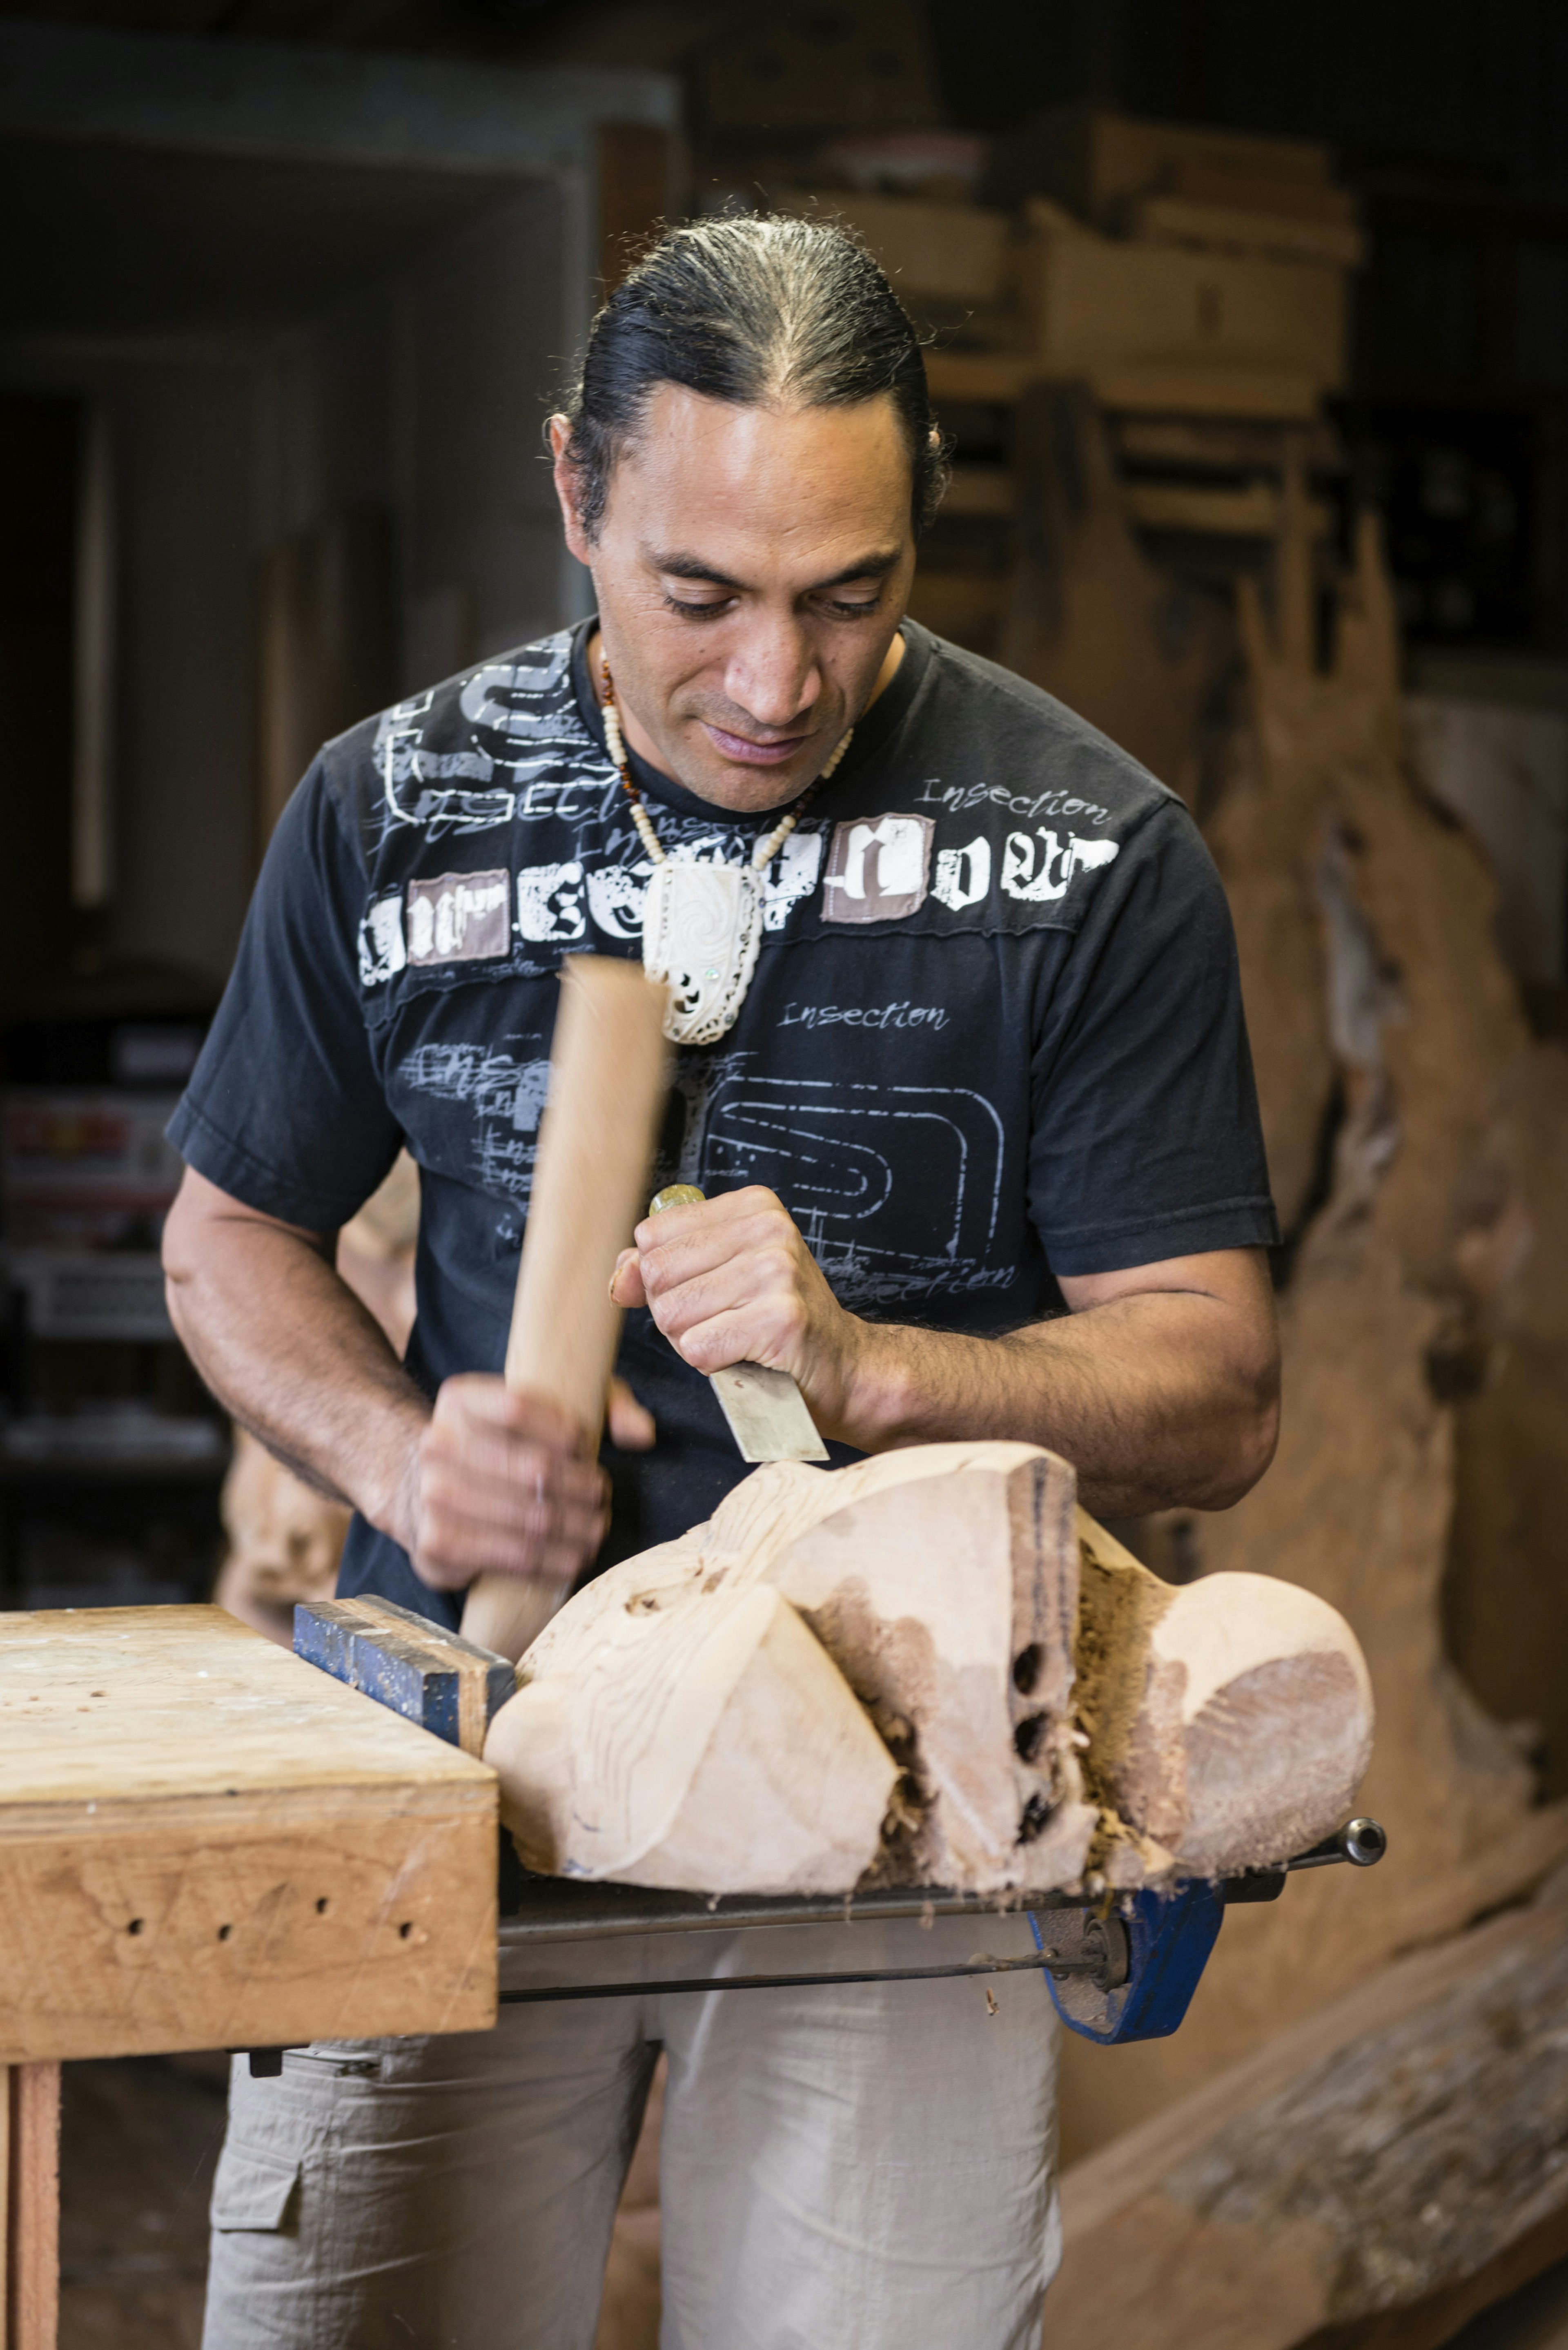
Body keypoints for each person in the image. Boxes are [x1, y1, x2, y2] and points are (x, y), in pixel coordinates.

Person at [164, 214, 1281, 2350]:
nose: (778, 684)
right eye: (705, 598)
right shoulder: (390, 813)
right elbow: (230, 1241)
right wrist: (407, 1457)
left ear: (919, 526)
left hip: (912, 1796)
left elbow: (1220, 1385)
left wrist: (873, 1370)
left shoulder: (1088, 858)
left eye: (848, 600)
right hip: (473, 1745)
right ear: (580, 490)